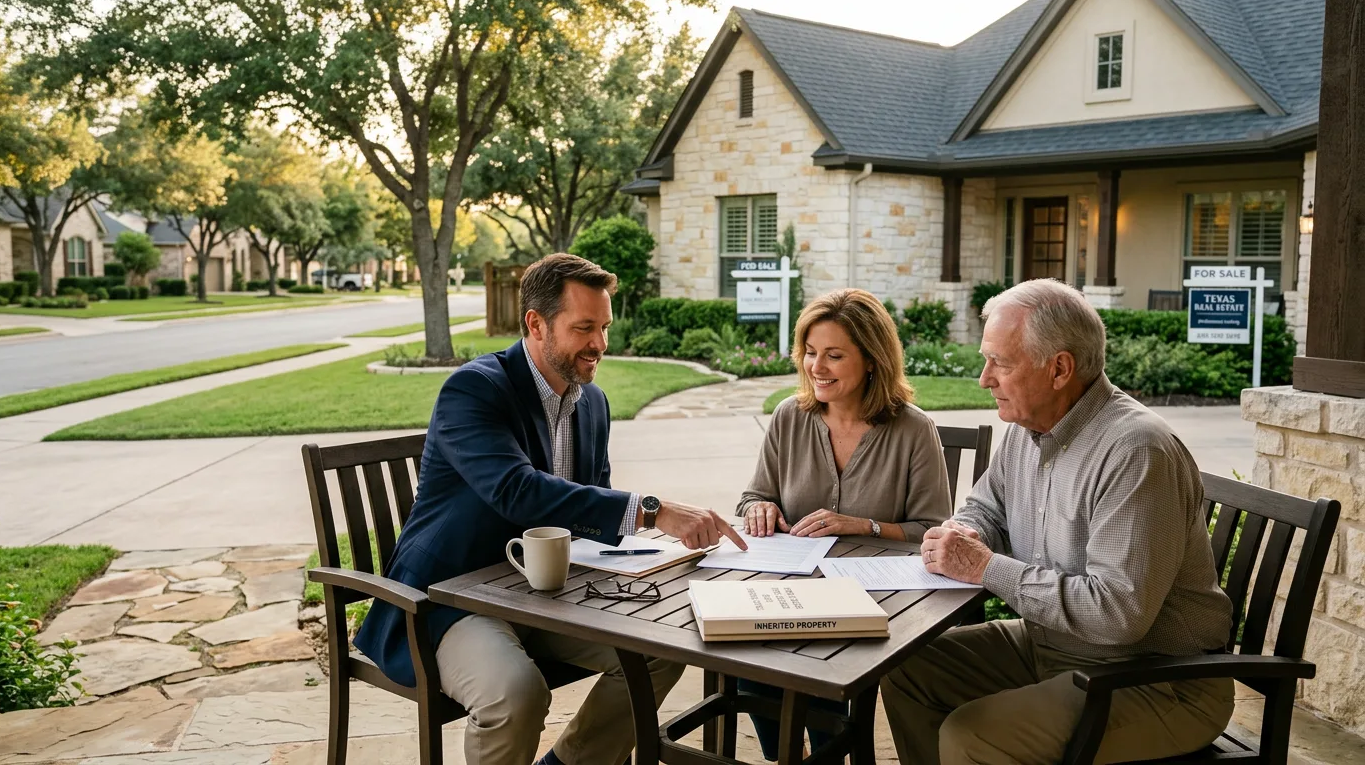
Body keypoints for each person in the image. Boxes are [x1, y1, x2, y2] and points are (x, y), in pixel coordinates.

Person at [353, 253, 747, 765]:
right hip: (452, 598)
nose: (600, 345)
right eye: (584, 328)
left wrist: (647, 554)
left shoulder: (593, 403)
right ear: (535, 324)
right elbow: (517, 491)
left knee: (659, 649)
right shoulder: (475, 389)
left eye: (604, 326)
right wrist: (653, 510)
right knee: (516, 693)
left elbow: (591, 511)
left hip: (549, 593)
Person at [881, 279, 1235, 765]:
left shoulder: (1136, 450)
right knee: (907, 667)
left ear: (1060, 368)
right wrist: (967, 534)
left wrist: (985, 568)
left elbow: (1118, 614)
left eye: (1000, 363)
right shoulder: (1028, 429)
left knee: (972, 735)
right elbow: (986, 508)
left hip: (1159, 680)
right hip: (1054, 648)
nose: (985, 379)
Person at [735, 288, 954, 762]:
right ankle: (793, 747)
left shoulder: (914, 431)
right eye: (810, 353)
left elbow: (933, 529)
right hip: (793, 586)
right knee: (738, 635)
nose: (817, 366)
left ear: (872, 360)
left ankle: (817, 744)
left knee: (806, 652)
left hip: (879, 598)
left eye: (834, 355)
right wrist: (760, 509)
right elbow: (756, 495)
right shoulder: (789, 417)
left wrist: (861, 525)